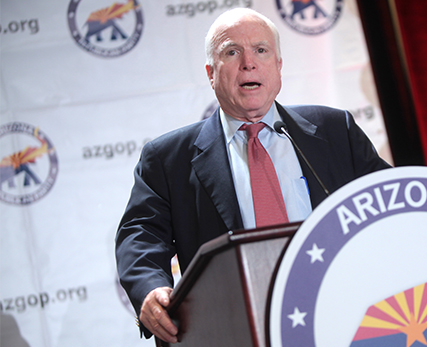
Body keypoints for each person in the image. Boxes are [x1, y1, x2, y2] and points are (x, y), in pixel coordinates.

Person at [115, 7, 390, 343]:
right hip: (234, 326)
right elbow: (141, 233)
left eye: (261, 50)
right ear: (210, 73)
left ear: (278, 65)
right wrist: (149, 288)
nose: (249, 63)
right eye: (232, 52)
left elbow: (387, 202)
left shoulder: (335, 130)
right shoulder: (168, 158)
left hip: (342, 315)